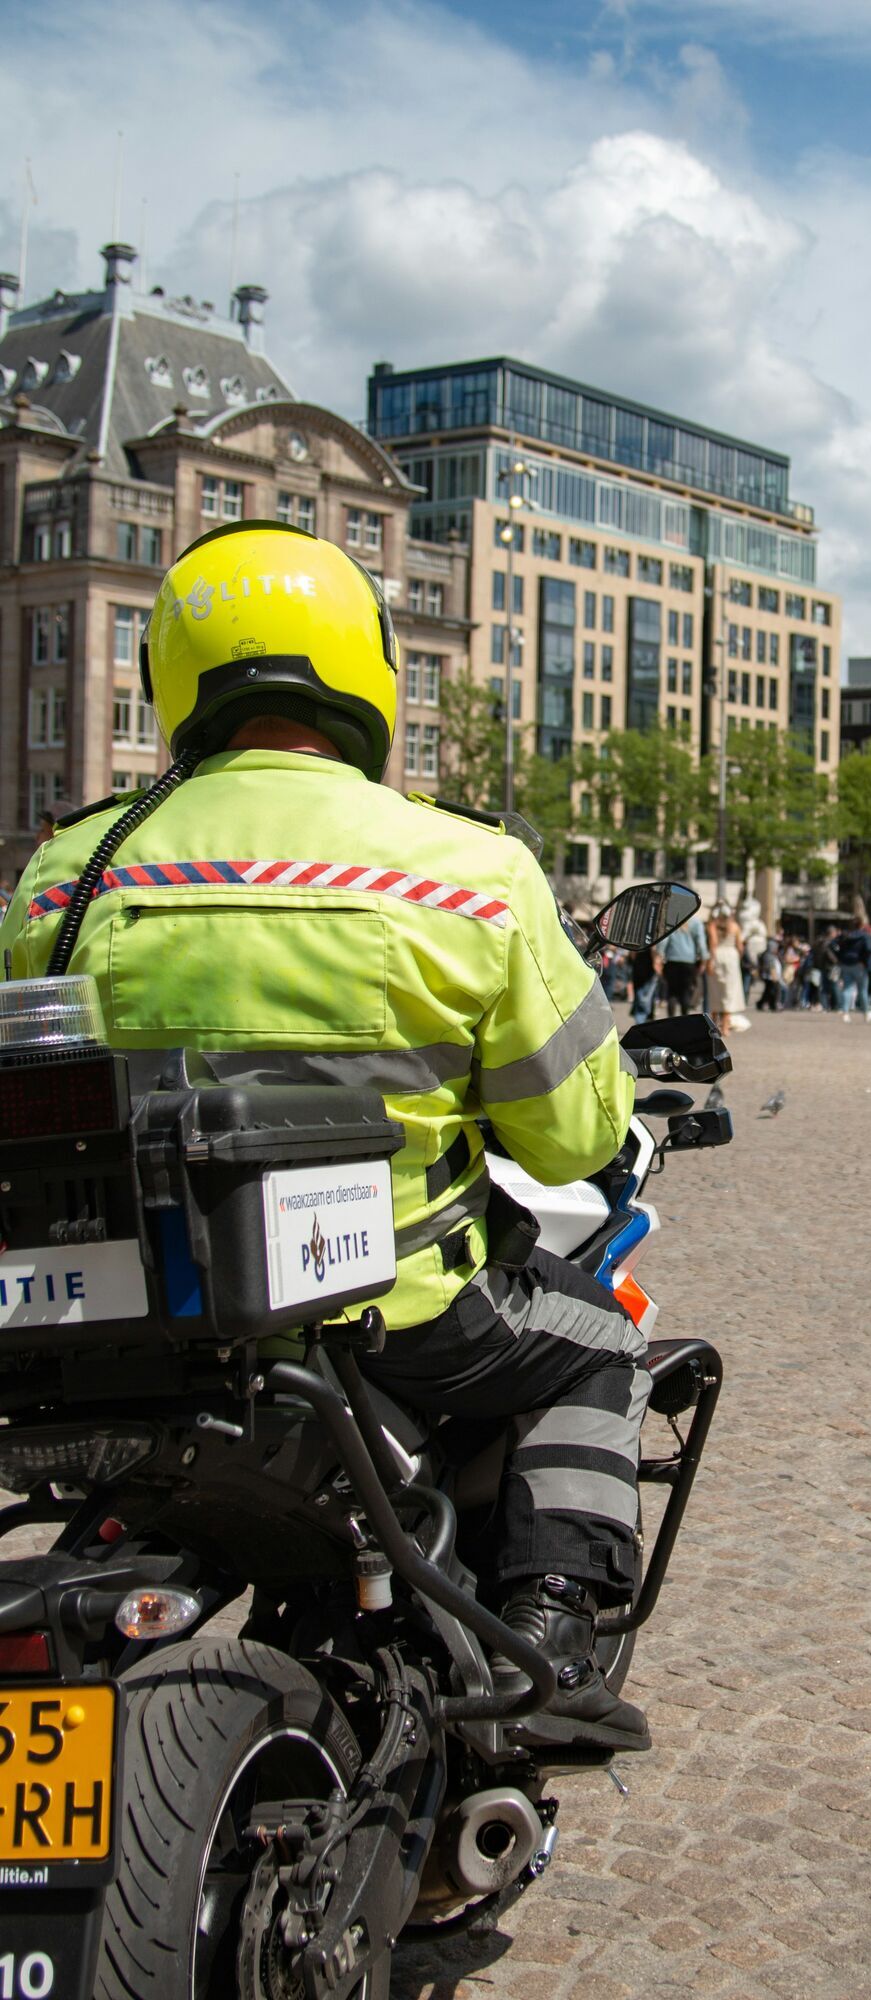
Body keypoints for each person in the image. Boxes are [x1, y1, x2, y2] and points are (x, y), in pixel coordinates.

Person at [0, 523, 651, 1751]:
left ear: (174, 674)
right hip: (382, 1314)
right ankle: (552, 1622)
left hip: (119, 1315)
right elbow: (570, 1139)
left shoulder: (64, 873)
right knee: (599, 1343)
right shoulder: (467, 871)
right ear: (369, 668)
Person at [660, 902, 708, 1016]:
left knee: (671, 992)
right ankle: (684, 1017)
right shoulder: (696, 922)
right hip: (689, 961)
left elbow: (663, 941)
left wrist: (659, 955)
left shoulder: (671, 921)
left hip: (672, 960)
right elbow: (701, 943)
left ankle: (670, 1019)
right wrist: (704, 959)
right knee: (685, 991)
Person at [706, 902, 746, 1035]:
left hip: (717, 956)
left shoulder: (712, 926)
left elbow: (713, 944)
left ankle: (714, 1024)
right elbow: (740, 946)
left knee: (715, 992)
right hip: (731, 958)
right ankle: (726, 1027)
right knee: (729, 993)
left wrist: (710, 962)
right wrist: (737, 957)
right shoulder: (734, 926)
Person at [834, 920, 871, 1023]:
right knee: (862, 990)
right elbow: (869, 949)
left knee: (847, 988)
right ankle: (866, 1013)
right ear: (861, 926)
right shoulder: (865, 936)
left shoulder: (844, 936)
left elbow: (834, 946)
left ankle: (845, 1013)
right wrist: (865, 961)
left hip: (845, 964)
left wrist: (840, 958)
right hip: (859, 964)